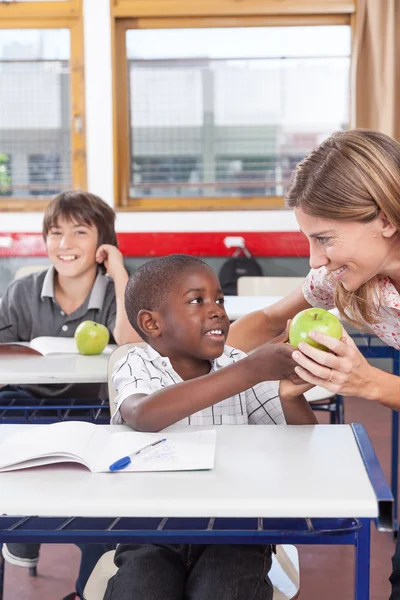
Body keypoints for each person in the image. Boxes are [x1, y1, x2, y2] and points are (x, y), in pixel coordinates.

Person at [226, 128, 400, 599]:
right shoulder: (342, 278)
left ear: (384, 218)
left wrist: (368, 382)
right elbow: (267, 318)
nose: (315, 260)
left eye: (324, 239)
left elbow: (375, 386)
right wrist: (208, 374)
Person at [104, 254, 316, 600]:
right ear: (152, 323)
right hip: (153, 529)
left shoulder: (237, 362)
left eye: (219, 299)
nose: (217, 309)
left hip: (236, 529)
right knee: (139, 590)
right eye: (196, 301)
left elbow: (303, 442)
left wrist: (290, 397)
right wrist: (250, 371)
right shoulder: (137, 362)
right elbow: (144, 415)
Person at [0, 190, 141, 600]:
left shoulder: (118, 290)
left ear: (103, 242)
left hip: (91, 413)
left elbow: (130, 341)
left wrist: (118, 271)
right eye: (55, 232)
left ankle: (86, 588)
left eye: (80, 232)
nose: (65, 244)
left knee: (98, 495)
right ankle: (19, 532)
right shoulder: (22, 292)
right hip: (26, 405)